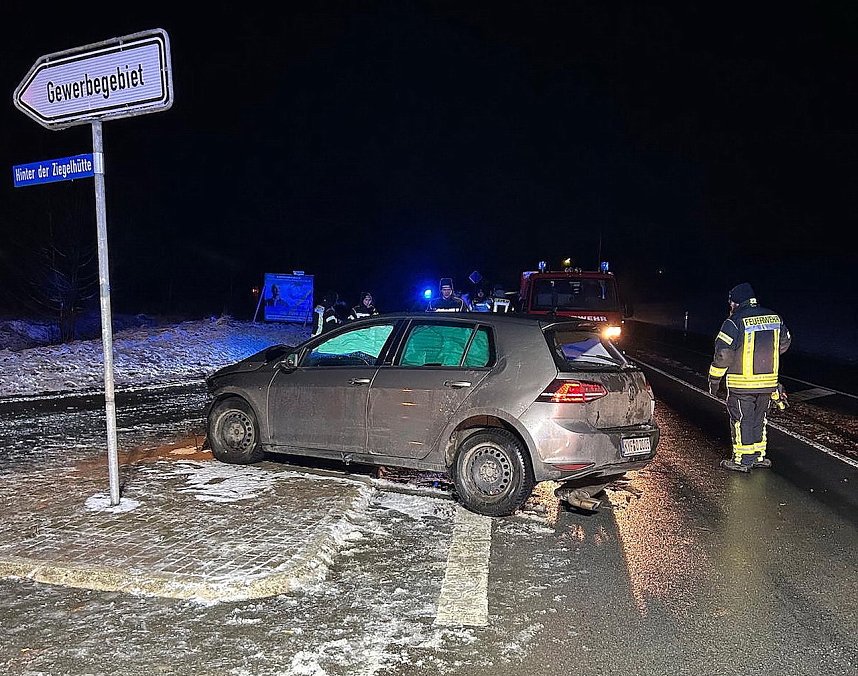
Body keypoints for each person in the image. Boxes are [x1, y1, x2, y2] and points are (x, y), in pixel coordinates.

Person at [708, 282, 791, 472]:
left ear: (736, 303)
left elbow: (723, 355)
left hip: (742, 384)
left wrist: (714, 380)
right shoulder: (774, 317)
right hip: (768, 383)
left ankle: (741, 460)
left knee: (741, 420)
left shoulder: (734, 321)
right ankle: (759, 456)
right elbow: (785, 343)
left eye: (731, 303)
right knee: (759, 419)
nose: (730, 306)